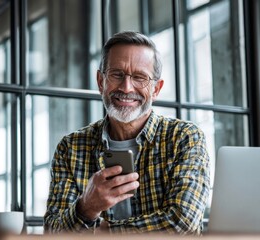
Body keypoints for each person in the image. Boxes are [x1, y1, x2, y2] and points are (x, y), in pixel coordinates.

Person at [43, 31, 210, 235]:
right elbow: (52, 233)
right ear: (100, 81)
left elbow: (182, 223)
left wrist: (109, 233)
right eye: (116, 74)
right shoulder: (71, 148)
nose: (126, 87)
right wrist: (86, 207)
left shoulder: (184, 138)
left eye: (140, 77)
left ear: (156, 89)